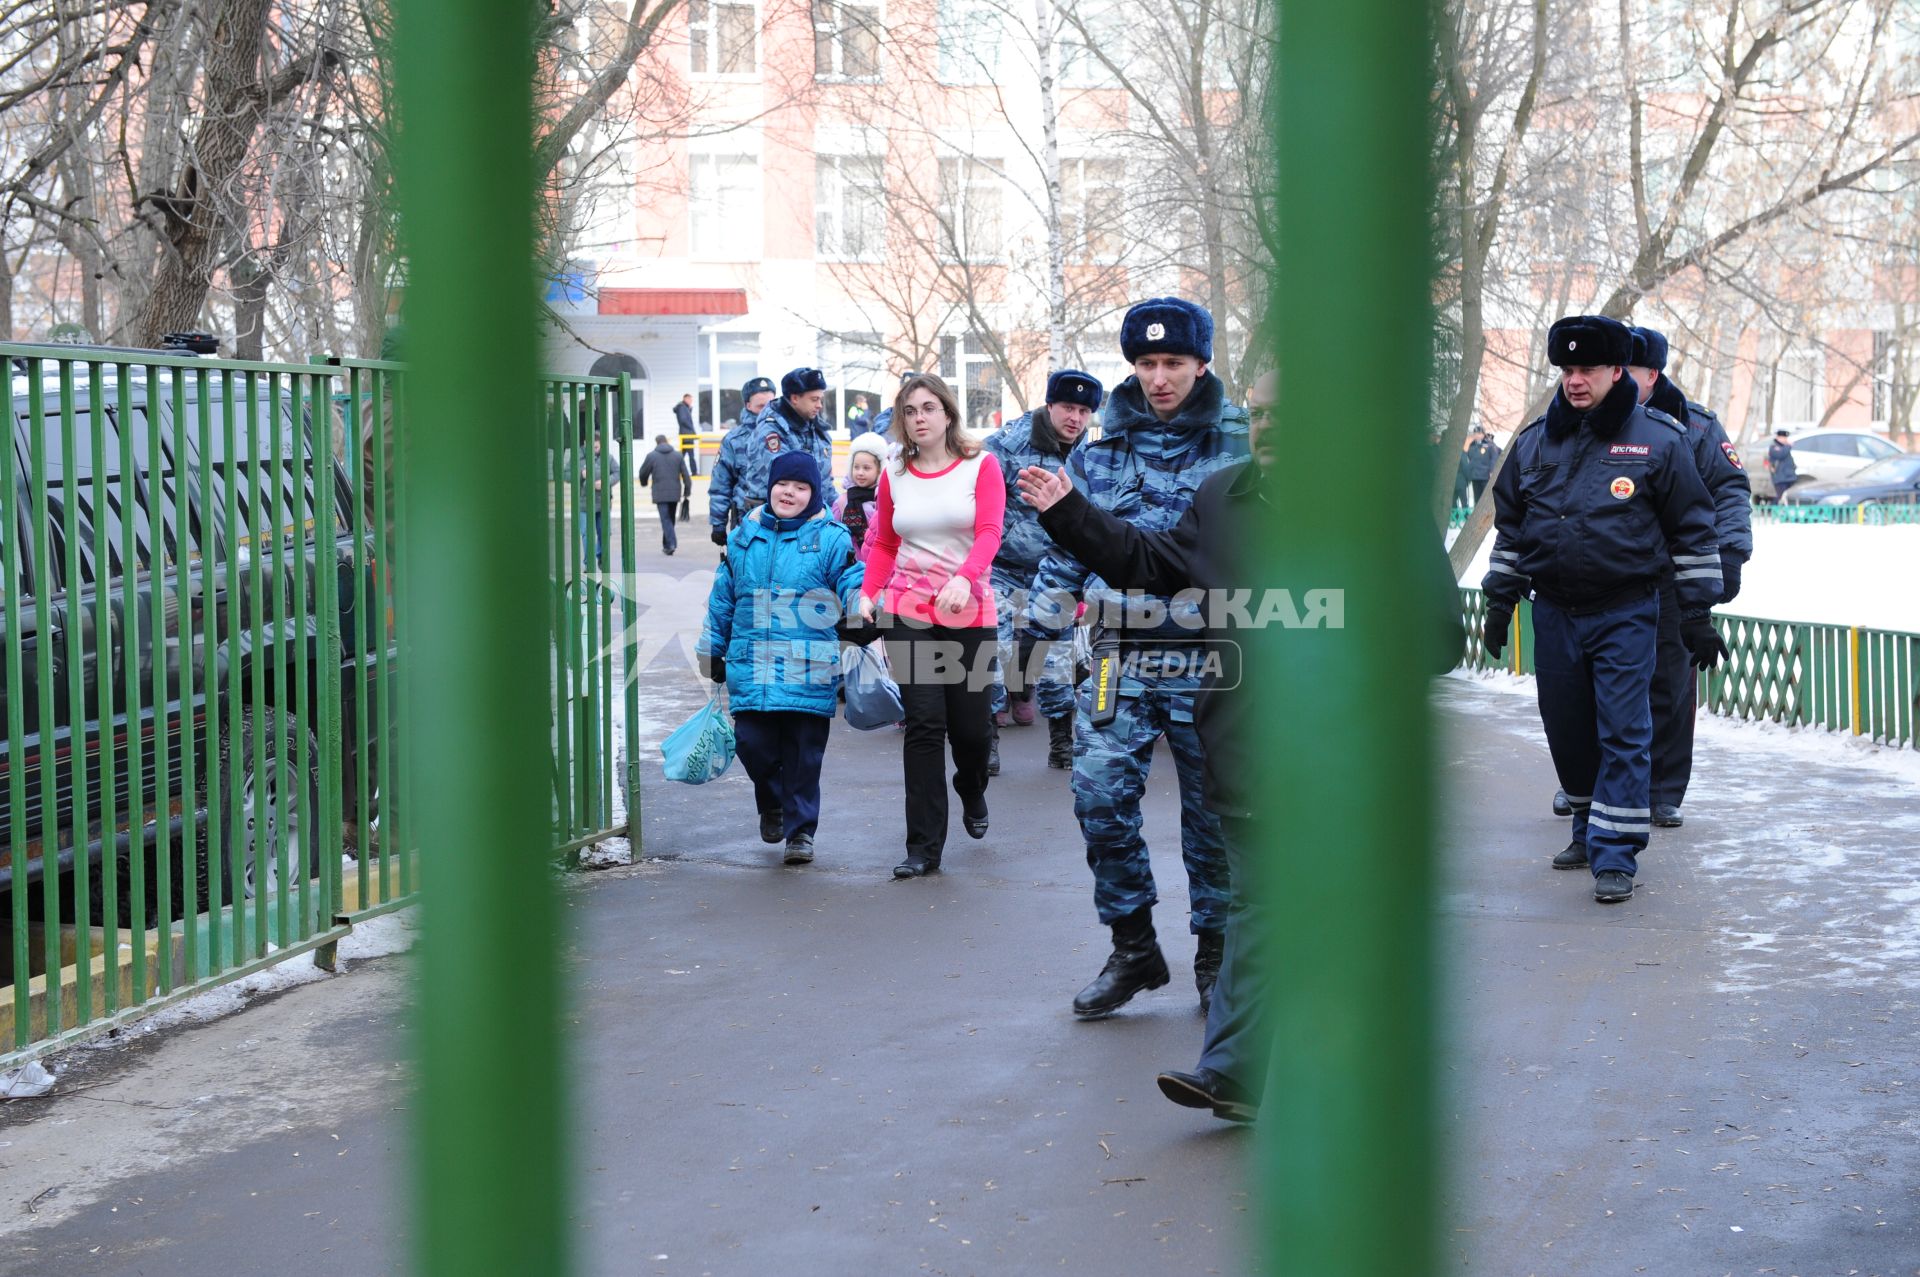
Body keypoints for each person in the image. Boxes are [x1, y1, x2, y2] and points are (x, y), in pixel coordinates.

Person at [1015, 370, 1462, 1122]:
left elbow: (1441, 635)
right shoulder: (1224, 497)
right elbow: (1148, 564)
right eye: (1259, 413)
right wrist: (1069, 514)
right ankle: (1232, 1072)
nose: (1271, 426)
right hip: (1250, 751)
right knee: (1259, 911)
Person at [1021, 297, 1248, 1020]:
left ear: (1202, 363)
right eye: (1145, 363)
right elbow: (1070, 546)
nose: (1158, 377)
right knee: (1098, 794)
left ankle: (1215, 956)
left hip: (1210, 654)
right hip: (1120, 654)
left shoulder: (1239, 444)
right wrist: (1038, 633)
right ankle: (1134, 946)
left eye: (1172, 363)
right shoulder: (1097, 448)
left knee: (1211, 818)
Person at [1481, 314, 1724, 904]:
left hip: (1626, 610)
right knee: (1567, 727)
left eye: (1588, 369)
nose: (1575, 380)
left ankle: (1616, 855)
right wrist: (1500, 599)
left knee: (1623, 728)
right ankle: (1588, 830)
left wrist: (1696, 615)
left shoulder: (1660, 441)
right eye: (1566, 370)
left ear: (1619, 371)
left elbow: (1693, 531)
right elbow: (1512, 527)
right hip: (1555, 611)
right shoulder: (1536, 441)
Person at [853, 373, 1006, 879]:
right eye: (910, 411)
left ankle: (972, 786)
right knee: (923, 724)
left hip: (969, 610)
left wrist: (966, 577)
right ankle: (923, 847)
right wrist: (868, 593)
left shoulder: (980, 465)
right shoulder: (894, 470)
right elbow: (885, 544)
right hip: (908, 610)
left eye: (928, 408)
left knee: (971, 729)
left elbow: (988, 531)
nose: (919, 419)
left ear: (947, 413)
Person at [697, 451, 864, 865]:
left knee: (804, 754)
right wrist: (713, 649)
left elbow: (852, 578)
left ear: (813, 493)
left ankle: (801, 832)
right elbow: (723, 598)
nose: (789, 492)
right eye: (783, 484)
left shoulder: (831, 537)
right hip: (751, 663)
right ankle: (771, 803)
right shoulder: (744, 537)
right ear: (770, 487)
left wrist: (862, 608)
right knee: (752, 744)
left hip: (808, 662)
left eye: (801, 486)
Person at [1626, 325, 1752, 828]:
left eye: (1625, 369)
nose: (1611, 377)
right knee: (1601, 684)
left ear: (1652, 374)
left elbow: (1730, 490)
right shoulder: (1588, 422)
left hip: (1677, 574)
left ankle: (1662, 789)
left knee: (1671, 684)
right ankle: (1591, 784)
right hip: (1611, 575)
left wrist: (1730, 556)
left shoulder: (1697, 427)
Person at [982, 369, 1099, 774]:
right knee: (991, 653)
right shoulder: (1008, 444)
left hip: (1056, 572)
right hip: (1001, 568)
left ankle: (1062, 742)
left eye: (1084, 411)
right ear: (1049, 405)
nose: (1075, 418)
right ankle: (987, 743)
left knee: (1058, 659)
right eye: (1068, 407)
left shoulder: (1091, 454)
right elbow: (973, 496)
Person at [708, 375, 780, 547]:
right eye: (760, 406)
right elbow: (720, 485)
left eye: (770, 405)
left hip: (783, 519)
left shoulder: (785, 435)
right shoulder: (734, 440)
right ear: (748, 405)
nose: (766, 411)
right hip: (746, 521)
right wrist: (718, 524)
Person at [760, 368, 840, 511]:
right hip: (779, 522)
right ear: (795, 398)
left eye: (821, 399)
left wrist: (838, 509)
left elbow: (826, 482)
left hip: (815, 518)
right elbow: (784, 481)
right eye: (814, 399)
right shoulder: (772, 430)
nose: (819, 405)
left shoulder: (818, 430)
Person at [832, 430, 890, 561]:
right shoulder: (842, 502)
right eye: (856, 467)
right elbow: (834, 535)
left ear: (880, 469)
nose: (860, 472)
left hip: (877, 564)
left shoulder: (884, 500)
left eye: (866, 468)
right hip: (849, 565)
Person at [636, 432, 692, 555]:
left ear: (657, 443)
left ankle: (671, 543)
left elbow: (643, 472)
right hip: (675, 493)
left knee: (666, 520)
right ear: (666, 441)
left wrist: (644, 483)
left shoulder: (652, 456)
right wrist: (687, 491)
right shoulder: (678, 456)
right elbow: (686, 476)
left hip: (660, 493)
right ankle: (667, 545)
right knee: (670, 519)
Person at [576, 427, 611, 568]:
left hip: (602, 502)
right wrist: (580, 473)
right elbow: (565, 473)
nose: (595, 449)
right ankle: (588, 562)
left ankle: (601, 556)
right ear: (585, 443)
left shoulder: (606, 457)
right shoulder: (578, 457)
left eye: (597, 447)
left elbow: (617, 472)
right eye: (593, 446)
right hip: (584, 503)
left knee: (604, 532)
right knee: (586, 534)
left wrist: (605, 481)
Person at [1461, 428, 1500, 504]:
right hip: (1475, 475)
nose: (1477, 436)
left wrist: (1492, 470)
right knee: (1477, 499)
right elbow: (1467, 457)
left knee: (1485, 498)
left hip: (1485, 475)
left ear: (1483, 434)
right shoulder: (1471, 445)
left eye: (1479, 434)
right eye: (1475, 434)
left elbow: (1494, 458)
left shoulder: (1489, 444)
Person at [1766, 429, 1798, 500]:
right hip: (1780, 478)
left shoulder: (1784, 447)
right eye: (1784, 438)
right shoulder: (1774, 447)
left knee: (1788, 498)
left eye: (1786, 438)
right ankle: (1774, 510)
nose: (1785, 440)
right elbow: (1781, 454)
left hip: (1789, 478)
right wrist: (1789, 446)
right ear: (1778, 438)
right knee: (1781, 498)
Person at [674, 392, 699, 474]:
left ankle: (676, 471)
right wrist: (692, 430)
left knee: (682, 455)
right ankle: (694, 472)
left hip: (686, 434)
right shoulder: (682, 407)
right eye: (690, 399)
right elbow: (684, 420)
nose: (691, 401)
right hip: (687, 435)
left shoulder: (684, 407)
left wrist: (690, 409)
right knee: (691, 455)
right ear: (685, 399)